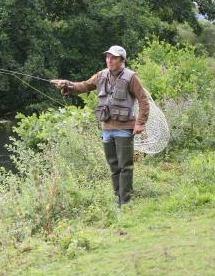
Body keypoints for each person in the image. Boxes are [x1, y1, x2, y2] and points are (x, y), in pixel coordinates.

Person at [50, 45, 149, 206]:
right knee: (114, 166)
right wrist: (67, 84)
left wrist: (140, 123)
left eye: (113, 57)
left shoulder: (131, 77)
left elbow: (144, 100)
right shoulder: (101, 75)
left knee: (126, 167)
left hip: (124, 128)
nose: (109, 60)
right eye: (107, 57)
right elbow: (83, 86)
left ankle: (126, 202)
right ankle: (118, 200)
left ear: (122, 60)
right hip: (107, 129)